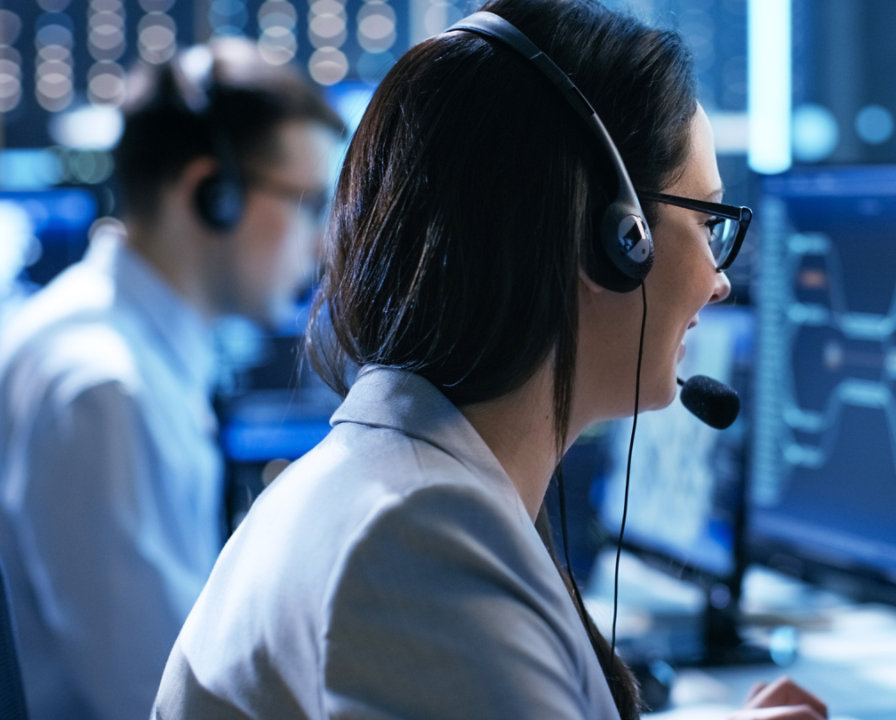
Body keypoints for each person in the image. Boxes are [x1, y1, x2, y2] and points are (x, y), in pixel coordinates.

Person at [153, 1, 827, 718]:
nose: (720, 280)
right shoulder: (419, 549)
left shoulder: (395, 493)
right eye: (707, 222)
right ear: (615, 239)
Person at [0, 38, 344, 719]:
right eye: (307, 203)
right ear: (210, 195)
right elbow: (163, 700)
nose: (320, 243)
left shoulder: (123, 349)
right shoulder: (104, 393)